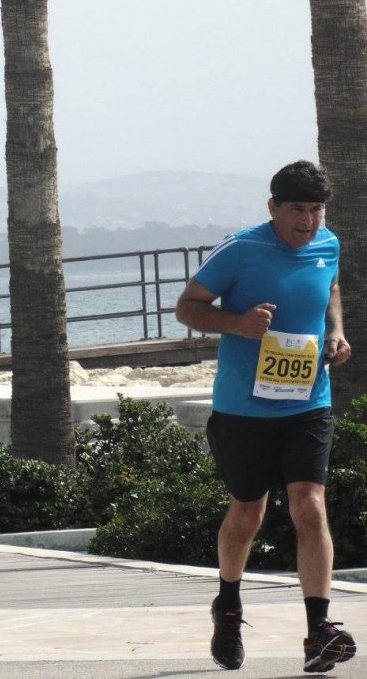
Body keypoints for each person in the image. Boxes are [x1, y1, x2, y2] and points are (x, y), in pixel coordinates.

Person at [175, 161, 356, 673]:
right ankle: (228, 606)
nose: (308, 221)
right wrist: (238, 324)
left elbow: (330, 287)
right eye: (297, 209)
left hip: (308, 402)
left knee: (310, 507)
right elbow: (187, 307)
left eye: (316, 210)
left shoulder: (328, 244)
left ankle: (319, 630)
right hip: (244, 408)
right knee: (248, 513)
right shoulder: (241, 249)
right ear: (273, 207)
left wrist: (336, 333)